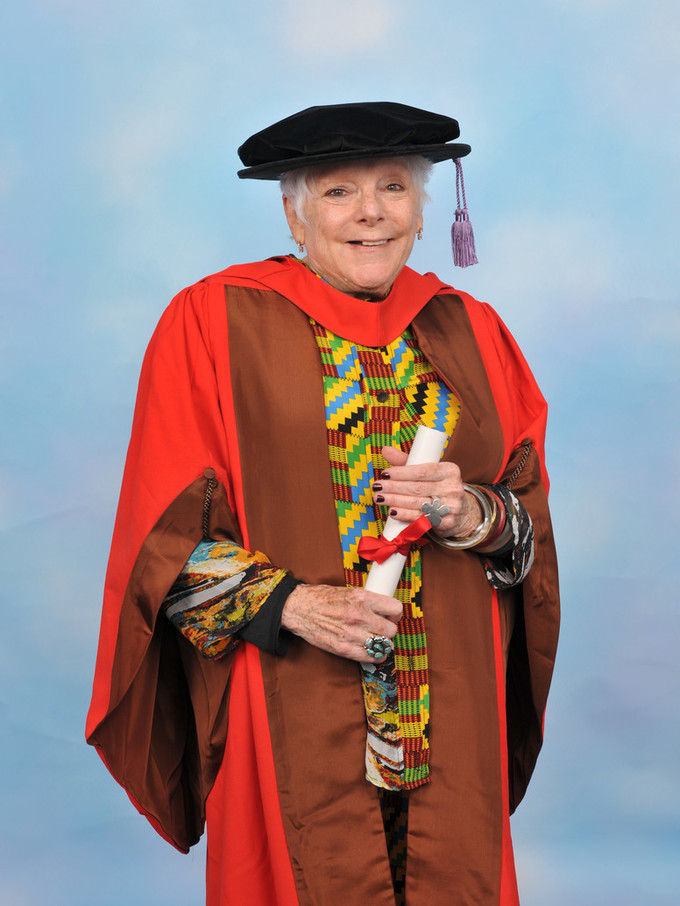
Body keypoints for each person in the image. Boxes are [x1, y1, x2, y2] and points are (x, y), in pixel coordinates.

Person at [86, 101, 559, 906]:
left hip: (453, 692)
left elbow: (525, 526)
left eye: (393, 189)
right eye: (339, 192)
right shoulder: (214, 320)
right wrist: (295, 605)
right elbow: (160, 538)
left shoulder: (473, 329)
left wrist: (472, 514)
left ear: (424, 210)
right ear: (293, 213)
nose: (371, 213)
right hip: (291, 691)